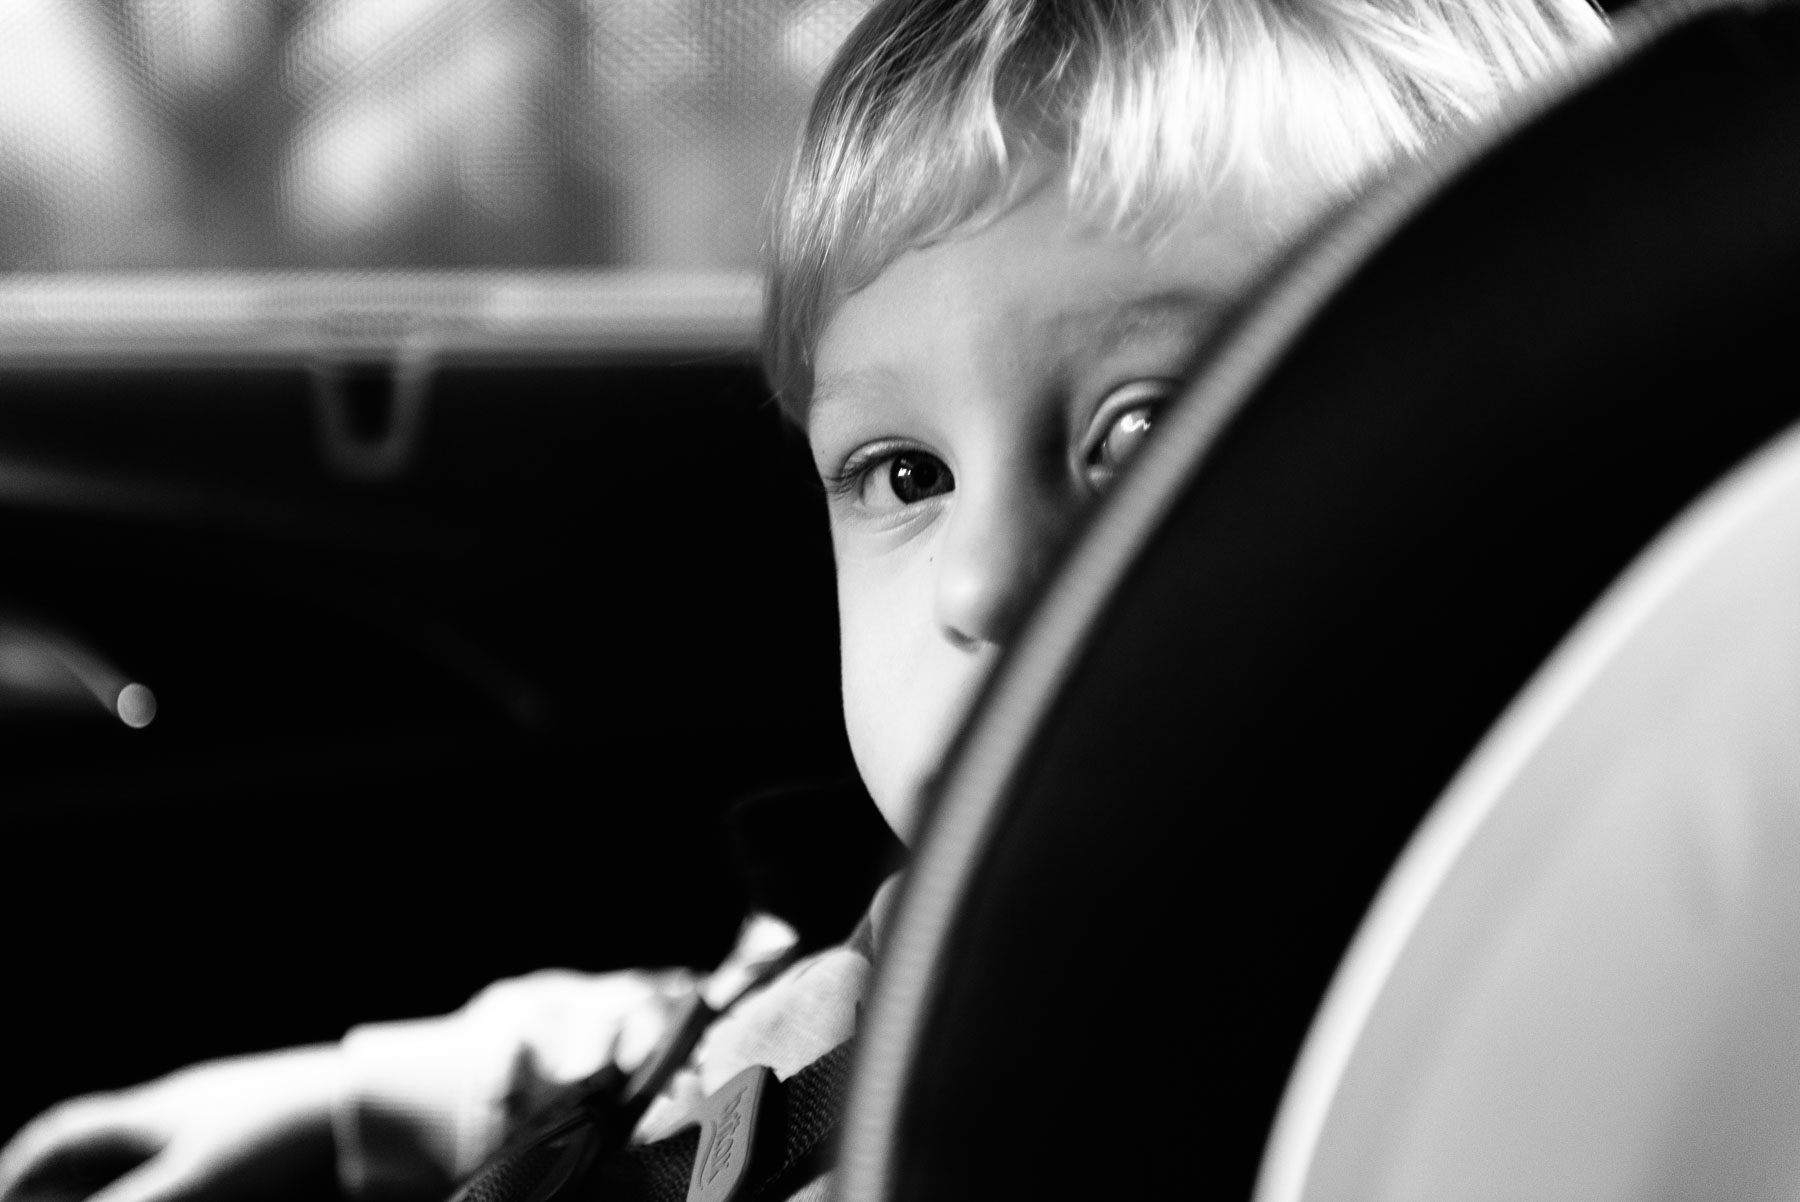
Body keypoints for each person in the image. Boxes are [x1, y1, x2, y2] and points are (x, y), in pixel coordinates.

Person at [0, 1, 1610, 1201]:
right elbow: (733, 1029)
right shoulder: (950, 914)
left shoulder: (1437, 1051)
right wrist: (374, 1102)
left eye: (1141, 430)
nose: (985, 581)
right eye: (904, 473)